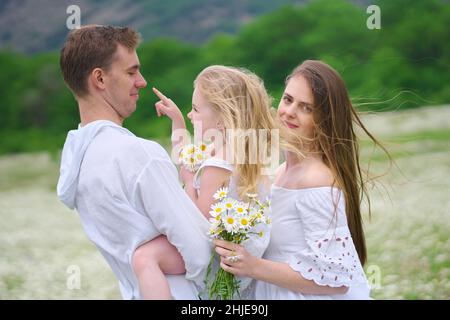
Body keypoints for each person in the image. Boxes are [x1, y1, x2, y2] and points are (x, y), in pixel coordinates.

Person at [56, 25, 211, 300]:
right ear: (100, 79)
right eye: (131, 71)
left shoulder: (78, 160)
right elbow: (200, 251)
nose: (141, 81)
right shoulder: (139, 155)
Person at [214, 60, 385, 299]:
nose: (290, 112)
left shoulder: (317, 180)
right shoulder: (281, 171)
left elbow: (336, 280)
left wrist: (253, 266)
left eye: (307, 108)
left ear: (324, 120)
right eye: (288, 99)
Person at [132, 65, 277, 299]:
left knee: (143, 258)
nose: (191, 115)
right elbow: (189, 158)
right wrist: (178, 122)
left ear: (221, 120)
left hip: (216, 259)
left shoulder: (216, 165)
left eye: (195, 109)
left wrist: (189, 183)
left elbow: (196, 221)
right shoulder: (238, 152)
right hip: (235, 254)